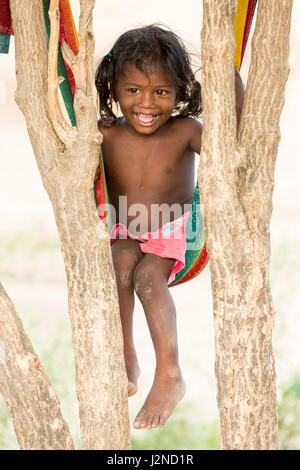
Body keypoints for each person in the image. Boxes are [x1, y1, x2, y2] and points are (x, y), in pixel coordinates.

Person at [94, 24, 244, 429]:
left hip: (174, 231)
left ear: (181, 92)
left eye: (161, 91)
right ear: (114, 88)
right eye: (133, 91)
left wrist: (233, 82)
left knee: (146, 276)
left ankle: (170, 374)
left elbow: (230, 141)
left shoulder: (186, 131)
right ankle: (126, 355)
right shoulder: (104, 133)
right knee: (120, 259)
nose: (147, 103)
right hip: (125, 227)